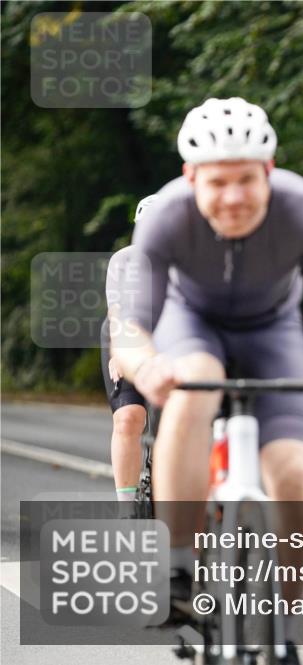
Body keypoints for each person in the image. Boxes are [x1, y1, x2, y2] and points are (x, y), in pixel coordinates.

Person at [111, 97, 303, 663]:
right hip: (193, 325)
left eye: (245, 180)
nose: (233, 197)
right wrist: (148, 365)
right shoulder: (166, 216)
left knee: (295, 471)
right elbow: (131, 326)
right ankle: (179, 571)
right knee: (192, 382)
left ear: (270, 170)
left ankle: (281, 624)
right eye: (217, 182)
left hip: (272, 331)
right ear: (191, 177)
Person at [101, 195, 158, 509]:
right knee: (129, 418)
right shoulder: (124, 260)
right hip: (126, 334)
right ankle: (126, 508)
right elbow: (117, 313)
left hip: (170, 341)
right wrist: (120, 353)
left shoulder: (190, 260)